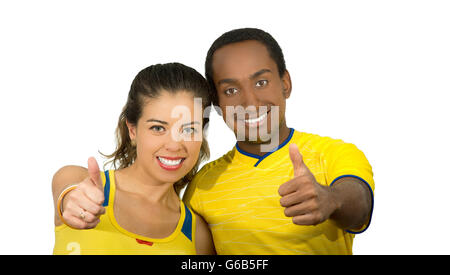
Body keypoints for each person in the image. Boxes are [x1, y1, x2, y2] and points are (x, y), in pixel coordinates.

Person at [182, 28, 375, 255]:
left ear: (285, 84)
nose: (250, 102)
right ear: (216, 102)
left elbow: (360, 207)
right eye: (231, 89)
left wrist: (331, 199)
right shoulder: (202, 186)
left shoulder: (334, 153)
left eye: (261, 82)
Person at [52, 63, 215, 255]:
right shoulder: (79, 183)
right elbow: (69, 192)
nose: (174, 145)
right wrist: (73, 199)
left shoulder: (197, 234)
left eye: (188, 130)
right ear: (132, 130)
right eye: (158, 128)